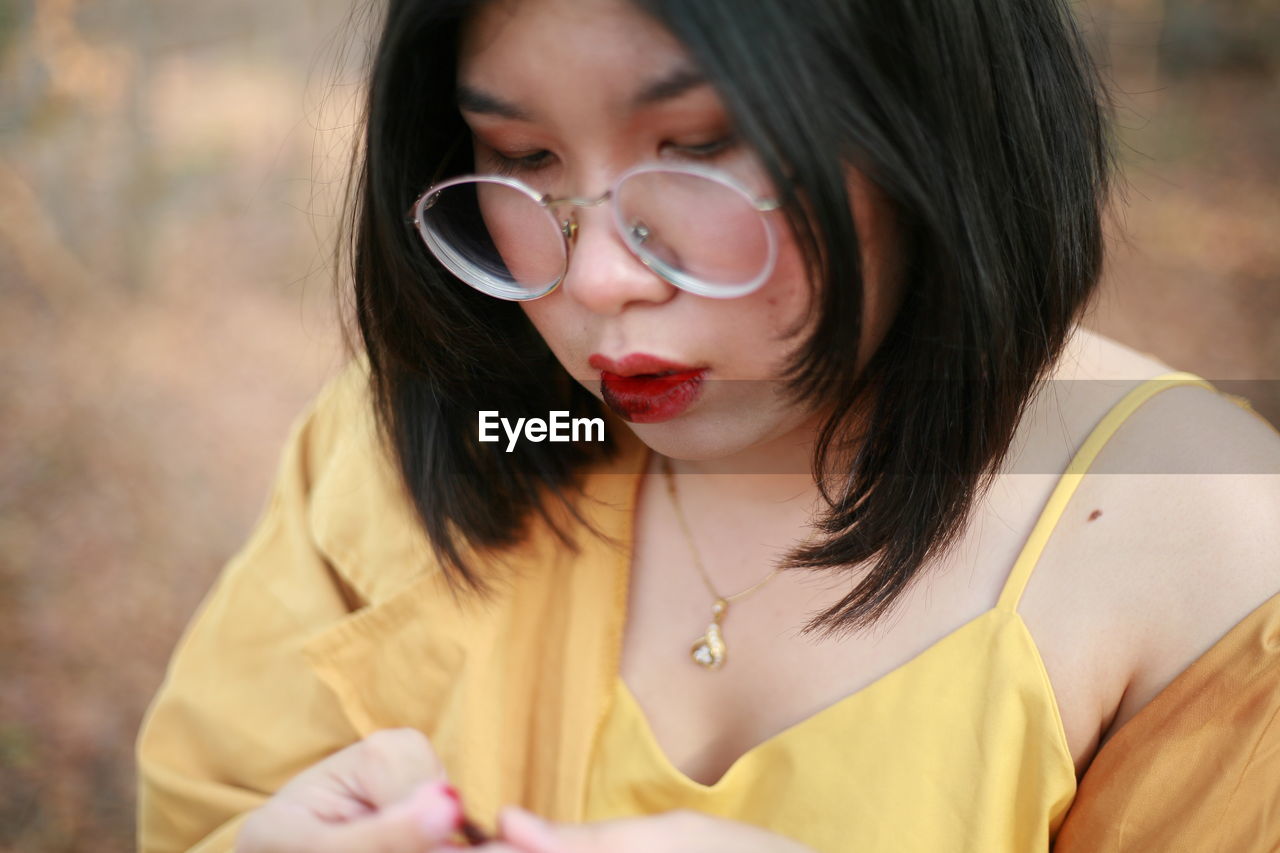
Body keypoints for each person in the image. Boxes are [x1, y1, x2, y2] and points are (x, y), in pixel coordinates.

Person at [135, 0, 1280, 851]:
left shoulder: (1205, 546)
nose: (592, 278)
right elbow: (205, 808)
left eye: (698, 148)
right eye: (522, 158)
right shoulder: (435, 436)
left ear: (932, 120)